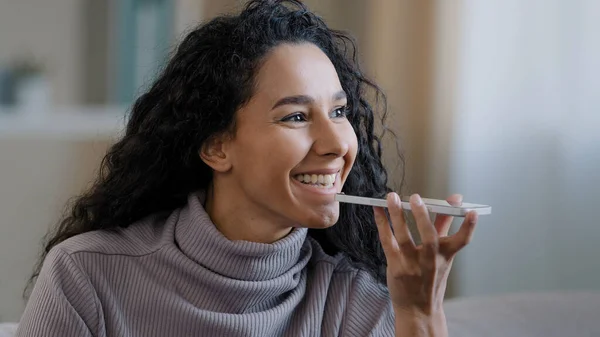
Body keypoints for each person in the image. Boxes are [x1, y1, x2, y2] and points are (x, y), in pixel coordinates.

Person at [16, 0, 478, 336]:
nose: (338, 143)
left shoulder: (357, 302)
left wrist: (420, 318)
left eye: (339, 113)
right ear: (217, 146)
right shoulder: (88, 276)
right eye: (296, 116)